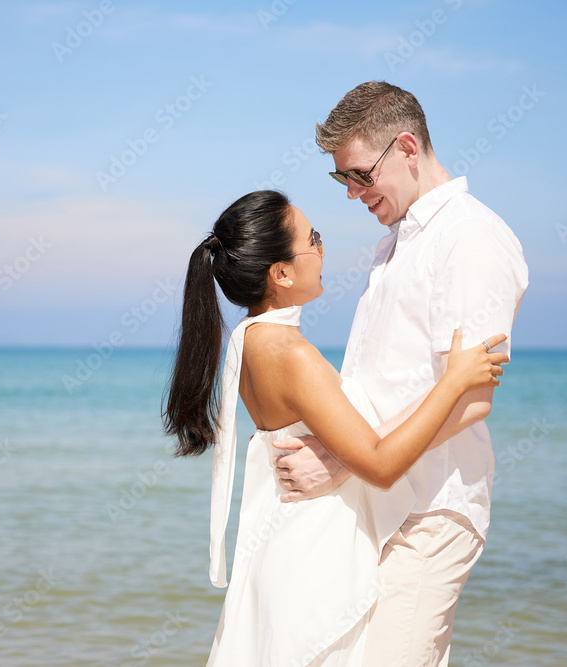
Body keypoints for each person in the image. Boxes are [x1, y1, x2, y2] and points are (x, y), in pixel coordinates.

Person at [163, 189, 509, 666]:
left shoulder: (248, 344)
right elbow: (381, 465)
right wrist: (452, 383)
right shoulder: (290, 355)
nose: (323, 251)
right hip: (311, 559)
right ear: (281, 273)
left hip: (282, 546)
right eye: (314, 239)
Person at [272, 81, 530, 665]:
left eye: (361, 174)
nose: (353, 193)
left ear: (408, 148)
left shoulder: (470, 238)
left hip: (431, 509)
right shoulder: (398, 242)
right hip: (381, 505)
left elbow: (471, 399)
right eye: (343, 180)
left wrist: (342, 460)